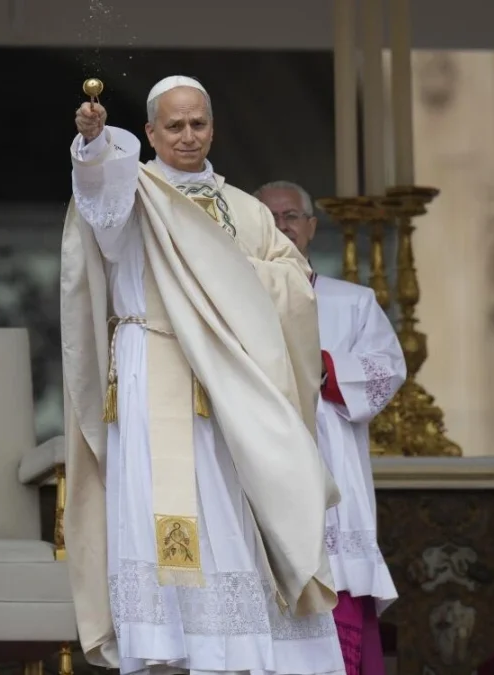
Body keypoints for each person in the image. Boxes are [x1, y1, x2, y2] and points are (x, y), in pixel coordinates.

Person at [61, 76, 345, 675]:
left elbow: (295, 284)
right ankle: (168, 648)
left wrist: (233, 278)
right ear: (149, 133)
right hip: (155, 363)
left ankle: (234, 650)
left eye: (197, 124)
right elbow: (99, 203)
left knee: (231, 504)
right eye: (173, 126)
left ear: (212, 128)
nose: (187, 136)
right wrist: (90, 145)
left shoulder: (245, 209)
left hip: (232, 381)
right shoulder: (133, 190)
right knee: (164, 506)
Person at [255, 181, 405, 675]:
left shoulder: (353, 302)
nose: (282, 225)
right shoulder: (230, 303)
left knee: (335, 596)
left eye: (292, 215)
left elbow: (387, 370)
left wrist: (322, 366)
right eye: (269, 215)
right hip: (259, 472)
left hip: (331, 475)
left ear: (312, 227)